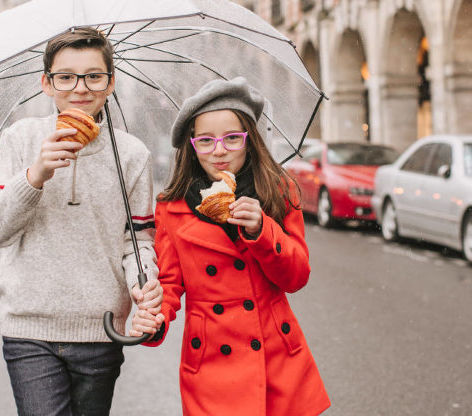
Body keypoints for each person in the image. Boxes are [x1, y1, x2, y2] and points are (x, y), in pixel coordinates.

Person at [0, 27, 163, 416]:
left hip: (101, 329)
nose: (80, 88)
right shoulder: (20, 139)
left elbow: (138, 241)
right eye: (66, 77)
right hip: (29, 329)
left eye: (94, 76)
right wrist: (35, 176)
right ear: (47, 83)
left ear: (110, 83)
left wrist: (143, 285)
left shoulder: (131, 153)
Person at [131, 77, 330, 415]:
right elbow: (168, 286)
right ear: (192, 147)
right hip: (211, 366)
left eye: (232, 139)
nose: (219, 151)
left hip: (277, 360)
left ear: (250, 142)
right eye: (206, 141)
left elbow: (296, 277)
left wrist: (261, 230)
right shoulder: (172, 207)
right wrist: (153, 320)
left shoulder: (279, 192)